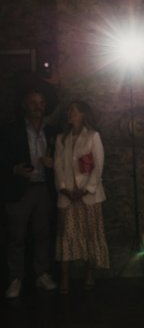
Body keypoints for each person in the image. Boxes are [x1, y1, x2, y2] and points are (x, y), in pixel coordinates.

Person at [1, 90, 57, 298]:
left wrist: (53, 165)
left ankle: (41, 274)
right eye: (33, 102)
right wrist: (14, 170)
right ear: (25, 105)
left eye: (41, 102)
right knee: (16, 237)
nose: (38, 106)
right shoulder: (10, 130)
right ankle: (15, 279)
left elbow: (60, 158)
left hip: (44, 189)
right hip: (19, 190)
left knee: (43, 235)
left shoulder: (51, 130)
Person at [54, 101, 109, 294]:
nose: (70, 114)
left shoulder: (93, 137)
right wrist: (64, 189)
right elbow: (58, 167)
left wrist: (86, 189)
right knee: (67, 236)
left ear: (83, 114)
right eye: (69, 111)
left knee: (89, 233)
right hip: (68, 197)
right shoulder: (62, 139)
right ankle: (65, 277)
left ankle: (89, 273)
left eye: (74, 111)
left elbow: (98, 166)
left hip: (89, 196)